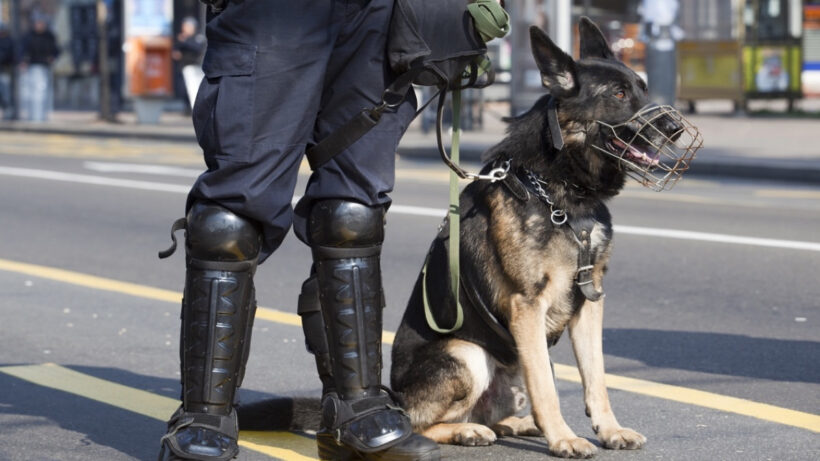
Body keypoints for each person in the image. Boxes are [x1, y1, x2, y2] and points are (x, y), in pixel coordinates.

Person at [157, 2, 440, 461]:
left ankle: (355, 403)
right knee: (228, 223)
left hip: (382, 11)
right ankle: (205, 413)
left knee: (352, 215)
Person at [19, 13, 59, 122]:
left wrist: (52, 58)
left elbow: (56, 50)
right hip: (32, 66)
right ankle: (34, 116)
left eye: (41, 23)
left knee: (44, 92)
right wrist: (23, 61)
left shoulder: (49, 36)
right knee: (33, 93)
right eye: (37, 23)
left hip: (46, 66)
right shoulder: (29, 36)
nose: (39, 25)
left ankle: (43, 116)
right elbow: (22, 50)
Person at [172, 16, 205, 111]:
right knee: (183, 89)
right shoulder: (180, 38)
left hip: (195, 67)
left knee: (194, 89)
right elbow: (175, 50)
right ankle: (187, 108)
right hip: (183, 67)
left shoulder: (197, 37)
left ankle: (195, 109)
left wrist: (185, 41)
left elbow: (197, 48)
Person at [0, 22, 16, 120]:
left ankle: (8, 112)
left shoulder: (9, 41)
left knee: (6, 93)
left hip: (5, 70)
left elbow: (11, 56)